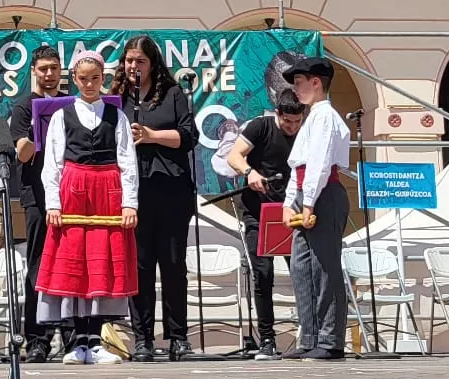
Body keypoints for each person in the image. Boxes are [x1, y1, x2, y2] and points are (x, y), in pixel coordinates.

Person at [38, 49, 140, 365]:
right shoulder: (61, 116)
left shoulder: (117, 116)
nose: (89, 84)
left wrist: (129, 203)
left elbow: (127, 160)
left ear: (103, 78)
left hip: (107, 190)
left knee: (101, 262)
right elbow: (52, 164)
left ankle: (94, 340)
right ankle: (76, 341)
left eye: (95, 78)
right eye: (83, 79)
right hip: (74, 189)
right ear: (75, 80)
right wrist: (53, 203)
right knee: (75, 262)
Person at [118, 35, 199, 362]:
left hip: (171, 188)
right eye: (129, 61)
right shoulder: (118, 99)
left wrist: (151, 136)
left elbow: (189, 136)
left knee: (173, 265)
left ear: (153, 64)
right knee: (139, 267)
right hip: (134, 191)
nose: (134, 66)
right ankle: (142, 338)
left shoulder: (173, 95)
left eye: (140, 61)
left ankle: (178, 337)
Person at [220, 96, 305, 359]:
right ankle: (267, 339)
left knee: (301, 273)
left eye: (297, 122)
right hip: (258, 213)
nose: (292, 127)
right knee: (263, 273)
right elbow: (234, 156)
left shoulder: (305, 133)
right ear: (277, 114)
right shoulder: (261, 126)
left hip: (293, 212)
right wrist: (250, 172)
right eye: (287, 121)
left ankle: (309, 332)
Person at [280, 57, 352, 360]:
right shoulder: (314, 117)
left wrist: (308, 202)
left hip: (322, 194)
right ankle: (309, 336)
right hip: (308, 194)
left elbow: (320, 164)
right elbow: (299, 166)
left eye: (299, 82)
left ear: (316, 82)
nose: (296, 89)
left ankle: (330, 339)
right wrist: (289, 202)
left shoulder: (325, 116)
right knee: (302, 267)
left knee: (324, 269)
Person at [8, 44, 67, 362]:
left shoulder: (72, 105)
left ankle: (73, 335)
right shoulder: (23, 108)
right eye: (43, 69)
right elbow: (22, 153)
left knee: (71, 267)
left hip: (71, 197)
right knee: (38, 266)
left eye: (53, 69)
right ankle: (37, 339)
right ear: (33, 71)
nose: (48, 74)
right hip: (37, 197)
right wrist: (37, 131)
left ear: (61, 71)